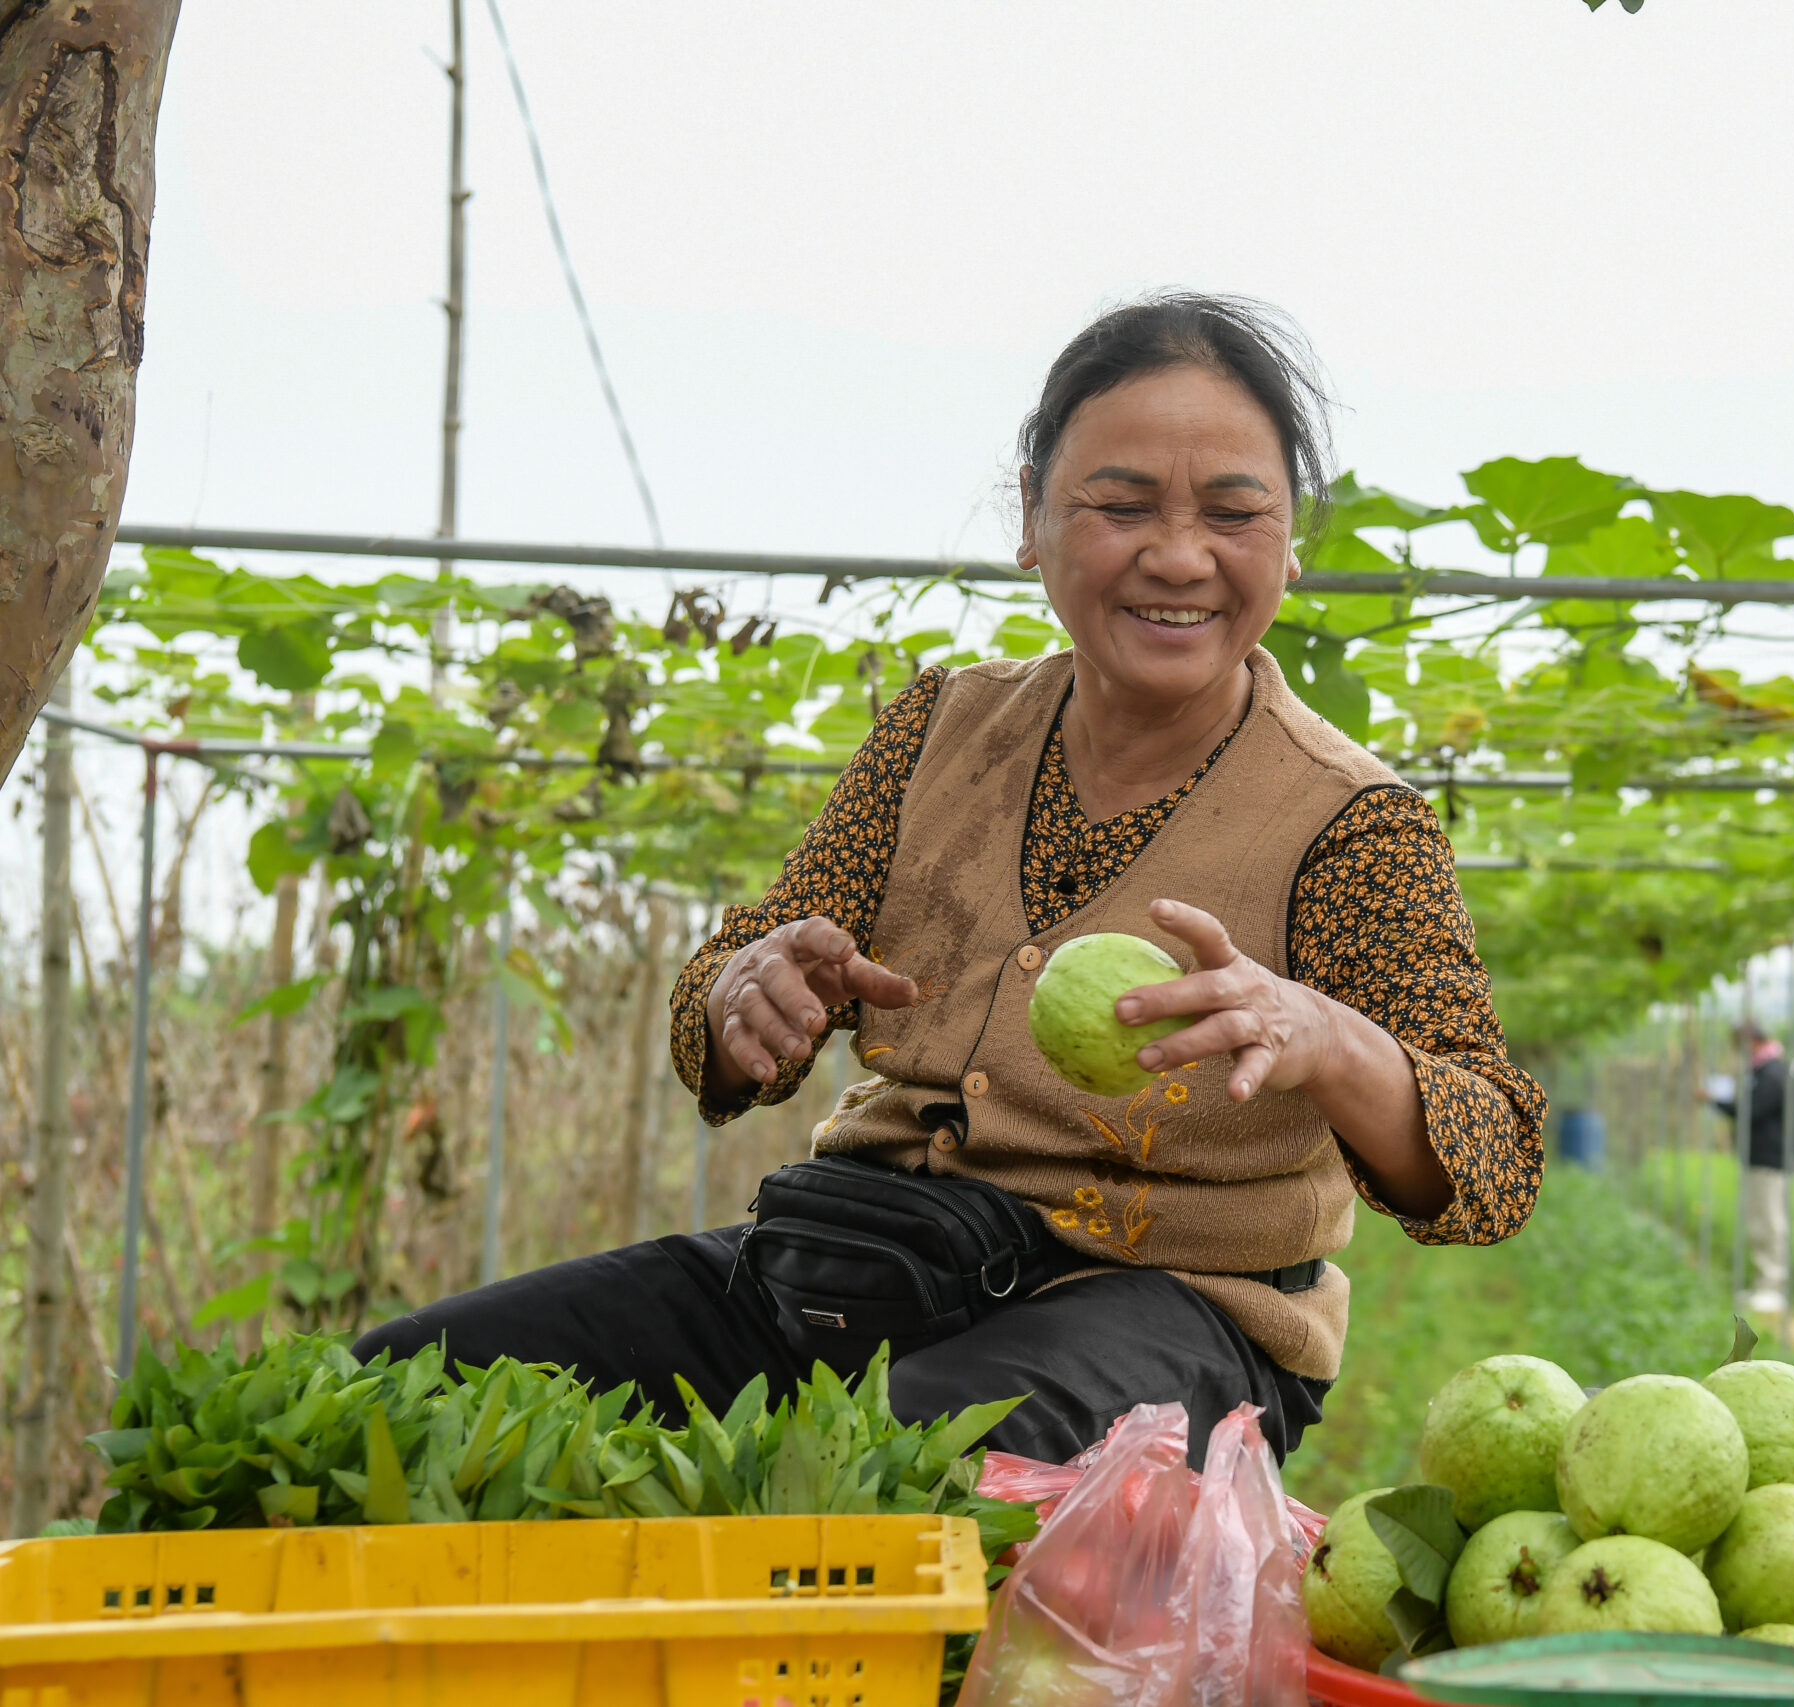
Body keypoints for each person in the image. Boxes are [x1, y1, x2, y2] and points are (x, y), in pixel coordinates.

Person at [356, 294, 1547, 1467]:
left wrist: (1324, 1036)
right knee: (399, 1393)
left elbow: (1493, 1160)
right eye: (1119, 504)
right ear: (1031, 519)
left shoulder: (1349, 820)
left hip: (1170, 1319)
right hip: (856, 1266)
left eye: (1235, 513)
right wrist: (745, 997)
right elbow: (723, 1002)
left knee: (864, 1478)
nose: (1179, 555)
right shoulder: (939, 727)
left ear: (1289, 543)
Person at [1713, 1021, 1794, 1318]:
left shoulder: (1772, 1074)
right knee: (1760, 1220)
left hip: (1770, 1160)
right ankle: (1764, 1284)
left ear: (1753, 1042)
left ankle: (1774, 1287)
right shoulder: (1764, 1071)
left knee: (1770, 1221)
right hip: (1761, 1159)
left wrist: (1718, 1102)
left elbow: (1752, 1110)